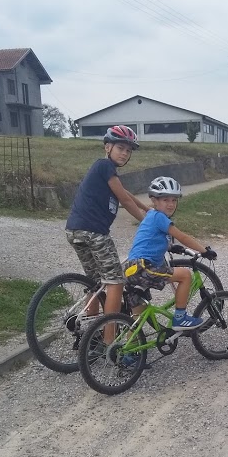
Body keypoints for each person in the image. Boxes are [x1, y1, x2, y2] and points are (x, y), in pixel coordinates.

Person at [65, 125, 151, 320]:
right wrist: (149, 223)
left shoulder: (105, 171)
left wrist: (146, 209)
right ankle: (108, 333)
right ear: (107, 147)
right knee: (115, 281)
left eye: (128, 150)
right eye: (120, 148)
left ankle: (91, 326)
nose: (124, 153)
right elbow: (125, 200)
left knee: (94, 282)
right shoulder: (105, 166)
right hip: (94, 232)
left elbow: (124, 193)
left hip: (75, 230)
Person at [123, 176, 217, 330]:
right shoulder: (159, 217)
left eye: (174, 200)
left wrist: (172, 247)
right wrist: (204, 251)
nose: (171, 204)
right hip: (144, 267)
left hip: (131, 269)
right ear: (154, 200)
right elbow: (182, 237)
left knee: (136, 319)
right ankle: (180, 318)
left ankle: (131, 345)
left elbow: (151, 240)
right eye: (165, 200)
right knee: (185, 275)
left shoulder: (151, 216)